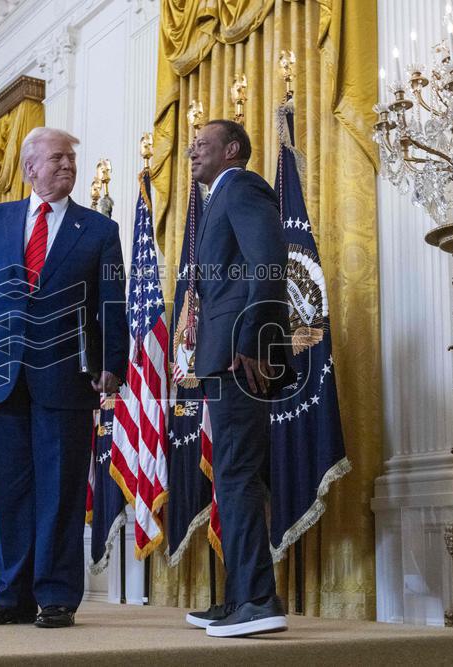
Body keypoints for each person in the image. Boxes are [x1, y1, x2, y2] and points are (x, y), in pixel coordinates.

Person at [0, 127, 128, 629]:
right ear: (30, 168)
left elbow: (111, 302)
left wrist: (112, 363)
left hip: (67, 379)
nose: (67, 166)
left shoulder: (99, 230)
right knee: (9, 493)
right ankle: (11, 596)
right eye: (57, 159)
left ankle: (55, 596)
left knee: (60, 492)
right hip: (2, 377)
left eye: (70, 159)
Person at [183, 119, 291, 638]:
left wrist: (251, 339)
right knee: (230, 475)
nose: (192, 152)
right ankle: (240, 596)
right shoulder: (217, 198)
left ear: (231, 150)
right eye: (190, 146)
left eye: (201, 145)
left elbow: (269, 262)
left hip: (239, 356)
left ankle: (258, 600)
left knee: (238, 475)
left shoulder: (243, 186)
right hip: (222, 355)